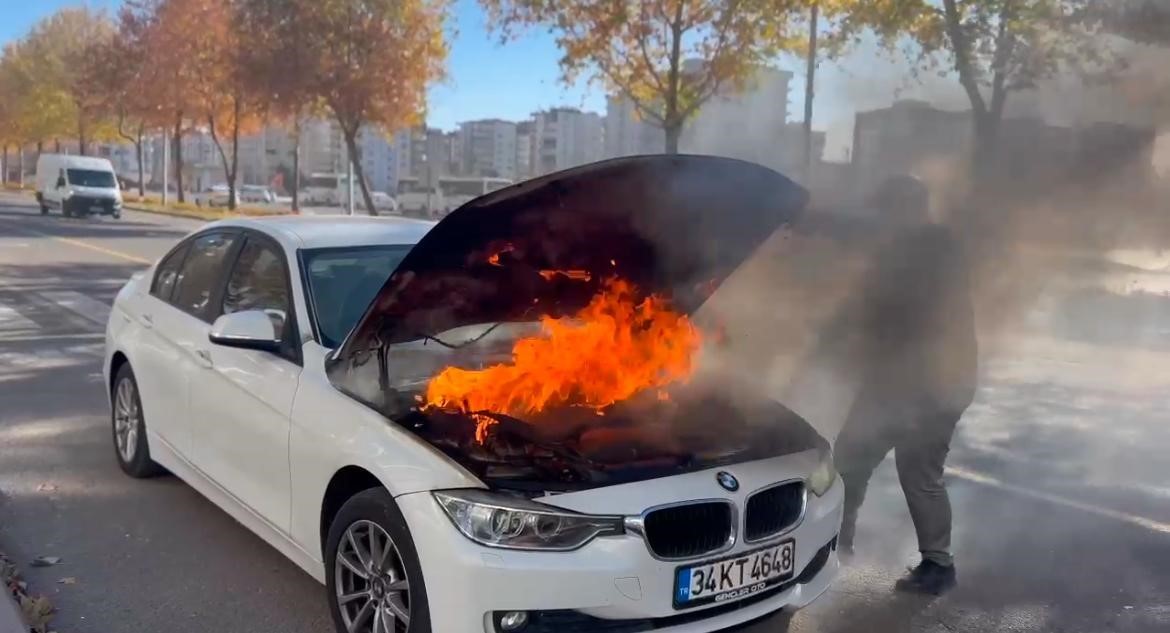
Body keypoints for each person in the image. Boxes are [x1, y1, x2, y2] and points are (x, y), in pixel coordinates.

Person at [822, 175, 978, 596]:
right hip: (910, 380)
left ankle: (938, 566)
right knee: (852, 456)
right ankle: (839, 546)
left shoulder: (927, 250)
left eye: (885, 212)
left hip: (927, 383)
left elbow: (887, 312)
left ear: (903, 211)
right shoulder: (918, 246)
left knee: (917, 473)